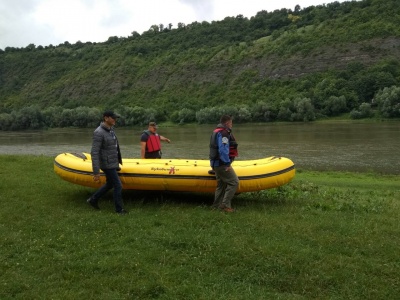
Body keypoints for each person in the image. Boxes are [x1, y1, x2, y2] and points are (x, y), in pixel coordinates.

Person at [87, 110, 127, 215]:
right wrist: (96, 172)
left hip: (112, 163)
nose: (115, 120)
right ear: (106, 118)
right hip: (106, 163)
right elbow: (94, 152)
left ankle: (93, 199)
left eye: (115, 118)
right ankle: (119, 210)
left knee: (110, 184)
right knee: (118, 185)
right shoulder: (98, 132)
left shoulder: (111, 130)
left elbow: (114, 148)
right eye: (113, 118)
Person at [209, 115, 239, 213]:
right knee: (234, 182)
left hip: (215, 163)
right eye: (231, 123)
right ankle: (225, 205)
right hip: (222, 164)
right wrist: (227, 164)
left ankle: (216, 205)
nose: (231, 125)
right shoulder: (224, 133)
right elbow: (223, 150)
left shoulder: (216, 131)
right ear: (227, 123)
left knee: (221, 185)